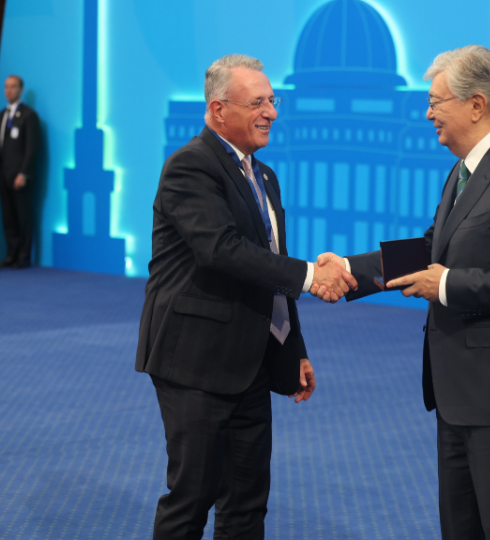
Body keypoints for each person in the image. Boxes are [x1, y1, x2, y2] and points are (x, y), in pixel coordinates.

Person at [317, 45, 490, 540]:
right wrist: (350, 269)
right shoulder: (464, 169)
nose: (428, 113)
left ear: (476, 105)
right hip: (462, 391)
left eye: (436, 102)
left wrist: (449, 285)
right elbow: (430, 248)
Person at [135, 54, 356, 540]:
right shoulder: (190, 166)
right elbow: (222, 250)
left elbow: (269, 262)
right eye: (257, 103)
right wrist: (311, 275)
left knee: (247, 503)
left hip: (251, 360)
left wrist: (293, 348)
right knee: (191, 499)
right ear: (219, 110)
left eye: (272, 101)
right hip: (195, 361)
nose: (271, 112)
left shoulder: (265, 175)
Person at [0, 75, 40, 268]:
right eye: (6, 87)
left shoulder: (29, 115)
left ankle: (23, 256)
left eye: (13, 87)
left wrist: (23, 174)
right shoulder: (2, 114)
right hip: (2, 175)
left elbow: (31, 148)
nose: (8, 90)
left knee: (22, 217)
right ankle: (11, 254)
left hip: (18, 176)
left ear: (21, 90)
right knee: (8, 217)